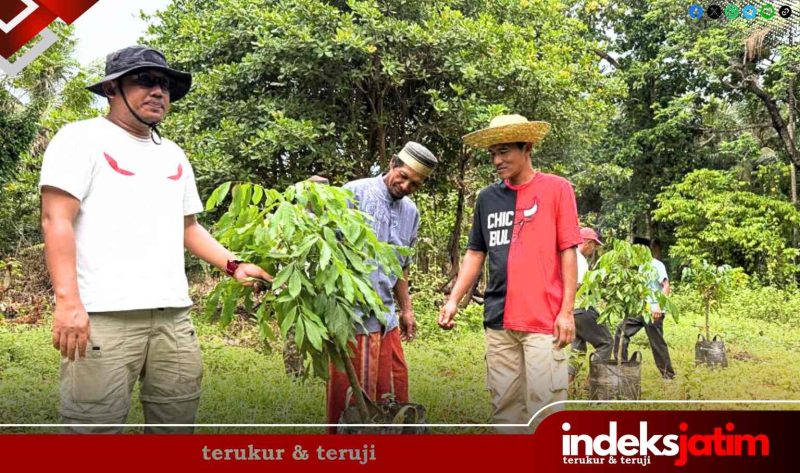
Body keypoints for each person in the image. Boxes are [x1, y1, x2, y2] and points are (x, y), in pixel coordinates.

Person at [39, 46, 272, 433]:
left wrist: (235, 265)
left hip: (172, 316)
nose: (157, 91)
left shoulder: (174, 155)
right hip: (103, 316)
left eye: (164, 83)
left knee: (176, 425)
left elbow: (188, 227)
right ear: (112, 88)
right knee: (92, 431)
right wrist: (68, 303)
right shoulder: (80, 139)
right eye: (144, 80)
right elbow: (56, 219)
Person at [438, 114, 581, 433]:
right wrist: (453, 301)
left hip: (544, 319)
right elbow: (476, 252)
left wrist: (567, 312)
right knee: (504, 408)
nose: (497, 160)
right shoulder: (487, 198)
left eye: (504, 151)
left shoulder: (557, 189)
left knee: (544, 408)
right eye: (492, 153)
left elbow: (567, 251)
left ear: (527, 147)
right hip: (498, 318)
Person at [326, 142, 438, 432]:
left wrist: (407, 309)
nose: (406, 185)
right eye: (403, 176)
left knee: (394, 388)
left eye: (415, 183)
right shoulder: (354, 193)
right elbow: (327, 250)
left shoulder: (411, 212)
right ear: (392, 163)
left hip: (386, 317)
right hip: (352, 317)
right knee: (354, 397)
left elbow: (401, 265)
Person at [613, 236, 676, 379]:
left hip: (654, 310)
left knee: (657, 343)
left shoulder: (656, 265)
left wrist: (659, 307)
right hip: (640, 309)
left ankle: (668, 375)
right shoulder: (640, 266)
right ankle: (621, 368)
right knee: (621, 332)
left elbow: (666, 286)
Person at [569, 227, 612, 383]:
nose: (594, 248)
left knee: (578, 349)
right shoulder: (579, 260)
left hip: (572, 311)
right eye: (594, 245)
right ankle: (591, 383)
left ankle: (565, 386)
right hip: (582, 308)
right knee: (606, 342)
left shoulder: (569, 255)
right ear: (587, 242)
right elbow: (576, 285)